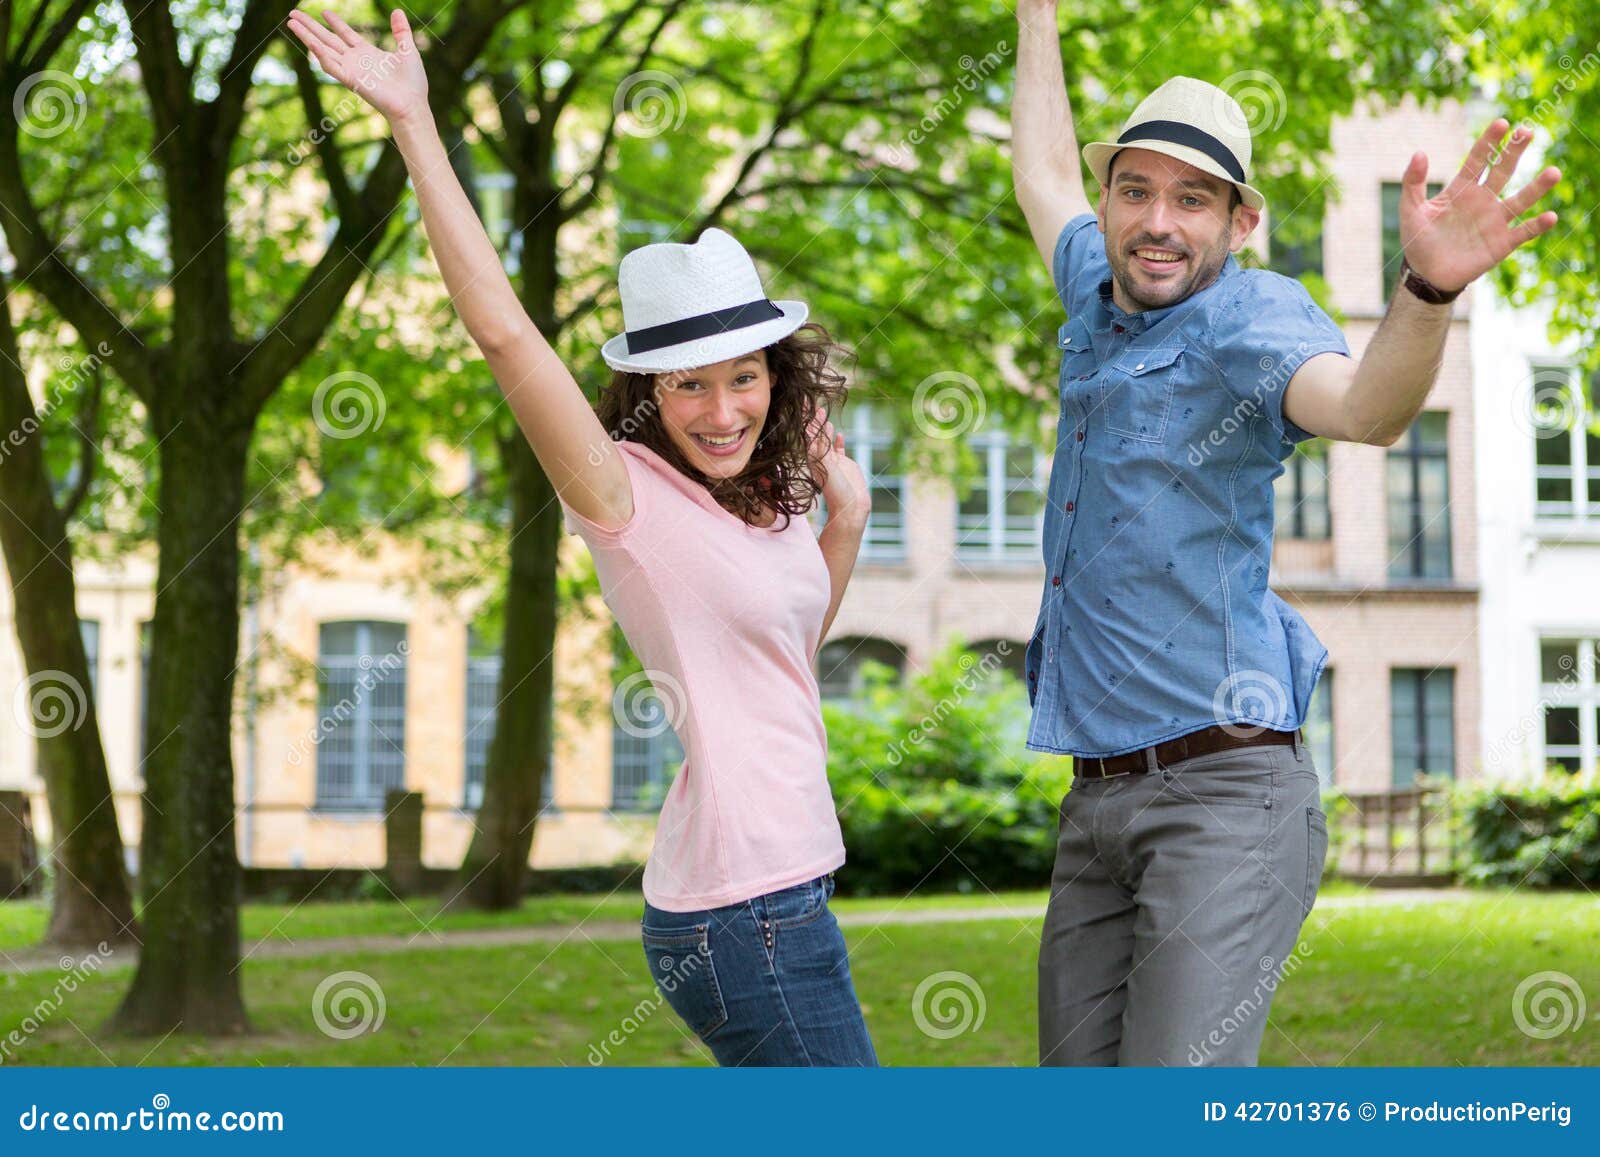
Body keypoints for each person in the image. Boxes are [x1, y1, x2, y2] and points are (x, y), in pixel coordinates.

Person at [286, 8, 878, 1067]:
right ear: (646, 392)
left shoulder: (762, 503)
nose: (722, 408)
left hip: (787, 887)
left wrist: (849, 515)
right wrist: (417, 125)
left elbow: (782, 657)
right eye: (687, 383)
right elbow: (503, 328)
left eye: (744, 374)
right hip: (741, 913)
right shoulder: (626, 493)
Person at [1011, 0, 1558, 1065]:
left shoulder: (1248, 319)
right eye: (1135, 191)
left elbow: (1366, 408)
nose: (1158, 220)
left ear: (1236, 224)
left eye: (1192, 198)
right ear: (1111, 203)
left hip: (1224, 796)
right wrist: (1036, 19)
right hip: (1095, 799)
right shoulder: (1097, 293)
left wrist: (1427, 287)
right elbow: (1039, 173)